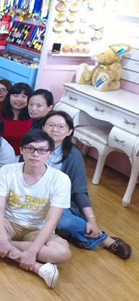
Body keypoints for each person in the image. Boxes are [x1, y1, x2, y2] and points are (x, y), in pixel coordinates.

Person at [0, 130, 72, 289]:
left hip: (36, 229)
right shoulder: (8, 171)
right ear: (22, 150)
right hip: (8, 222)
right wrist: (2, 237)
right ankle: (39, 268)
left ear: (49, 154)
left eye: (42, 150)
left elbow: (52, 220)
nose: (35, 154)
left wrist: (33, 250)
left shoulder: (61, 180)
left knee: (62, 253)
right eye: (30, 148)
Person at [40, 111, 132, 259]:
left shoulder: (73, 155)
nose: (55, 130)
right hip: (30, 196)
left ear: (69, 131)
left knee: (64, 221)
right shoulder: (33, 146)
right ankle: (87, 238)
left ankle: (104, 239)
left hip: (58, 202)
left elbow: (79, 191)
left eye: (61, 126)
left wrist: (92, 220)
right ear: (43, 127)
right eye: (50, 125)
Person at [0, 82, 33, 155]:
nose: (19, 99)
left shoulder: (33, 119)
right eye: (15, 95)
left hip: (22, 158)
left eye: (24, 96)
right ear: (9, 96)